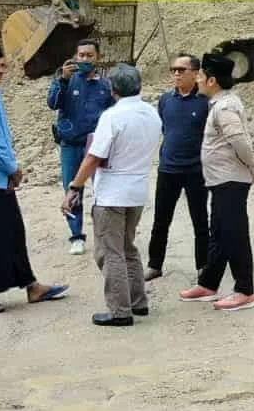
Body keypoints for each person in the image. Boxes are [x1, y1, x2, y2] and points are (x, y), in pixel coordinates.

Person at [0, 45, 68, 314]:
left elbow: (1, 139)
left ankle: (31, 286)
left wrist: (10, 169)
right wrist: (12, 168)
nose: (1, 71)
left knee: (13, 233)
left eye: (3, 66)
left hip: (0, 175)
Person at [62, 63, 160, 326]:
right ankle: (138, 301)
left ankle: (119, 310)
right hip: (137, 190)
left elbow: (94, 156)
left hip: (113, 193)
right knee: (128, 248)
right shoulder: (152, 113)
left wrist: (75, 186)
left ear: (113, 88)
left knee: (109, 251)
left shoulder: (112, 117)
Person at [177, 54, 254, 312]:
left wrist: (252, 166)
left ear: (212, 80)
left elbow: (240, 142)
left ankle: (245, 291)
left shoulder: (225, 108)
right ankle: (208, 284)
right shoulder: (219, 103)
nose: (198, 80)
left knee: (234, 235)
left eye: (201, 76)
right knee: (219, 233)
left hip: (231, 180)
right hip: (221, 179)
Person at [145, 52, 210, 281]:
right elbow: (164, 129)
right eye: (173, 69)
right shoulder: (165, 100)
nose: (176, 74)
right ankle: (154, 264)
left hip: (196, 170)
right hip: (168, 170)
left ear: (196, 73)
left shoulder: (205, 102)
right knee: (161, 220)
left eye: (182, 70)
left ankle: (203, 265)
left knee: (200, 220)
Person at [48, 39, 115, 254]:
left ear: (98, 58)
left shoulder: (106, 86)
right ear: (75, 56)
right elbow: (52, 103)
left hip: (97, 148)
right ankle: (76, 235)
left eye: (89, 55)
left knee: (104, 190)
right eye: (81, 55)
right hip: (70, 144)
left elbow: (114, 115)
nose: (85, 59)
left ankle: (105, 234)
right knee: (72, 188)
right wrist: (63, 81)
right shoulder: (65, 80)